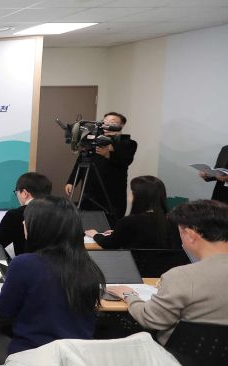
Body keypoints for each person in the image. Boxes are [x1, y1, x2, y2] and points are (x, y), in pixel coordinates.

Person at [0, 196, 104, 366]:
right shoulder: (88, 266)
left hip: (32, 360)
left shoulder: (25, 264)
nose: (23, 224)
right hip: (75, 361)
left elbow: (3, 309)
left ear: (41, 228)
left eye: (27, 220)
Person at [110, 200, 228, 343]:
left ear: (190, 235)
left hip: (178, 353)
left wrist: (129, 295)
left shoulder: (181, 277)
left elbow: (151, 319)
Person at [65, 112, 137, 220]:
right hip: (89, 191)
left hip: (111, 193)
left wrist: (108, 154)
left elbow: (125, 161)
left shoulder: (128, 143)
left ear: (121, 125)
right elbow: (82, 160)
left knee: (109, 223)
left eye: (112, 122)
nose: (107, 124)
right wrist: (71, 181)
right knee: (86, 223)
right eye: (105, 121)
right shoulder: (94, 140)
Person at [0, 172, 52, 256]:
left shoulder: (16, 215)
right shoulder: (58, 212)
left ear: (24, 193)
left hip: (27, 263)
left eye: (16, 192)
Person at [86, 175, 180, 249]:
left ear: (139, 196)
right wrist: (118, 232)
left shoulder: (129, 222)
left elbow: (109, 244)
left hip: (135, 266)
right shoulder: (174, 222)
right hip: (167, 267)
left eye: (132, 191)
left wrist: (96, 235)